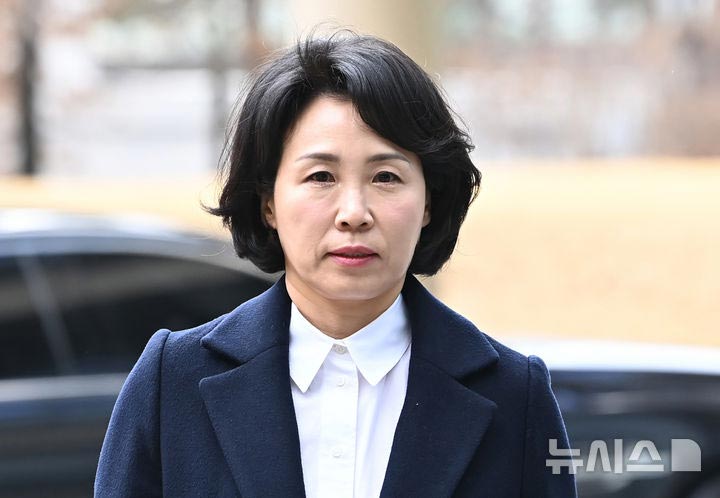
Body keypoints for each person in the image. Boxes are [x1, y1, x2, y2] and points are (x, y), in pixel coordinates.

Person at [95, 31, 577, 498]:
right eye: (321, 176)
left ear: (429, 201)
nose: (353, 213)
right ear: (268, 202)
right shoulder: (173, 380)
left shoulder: (514, 395)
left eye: (386, 177)